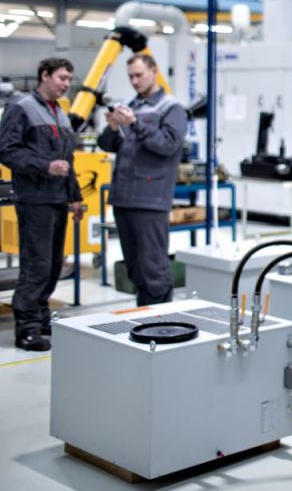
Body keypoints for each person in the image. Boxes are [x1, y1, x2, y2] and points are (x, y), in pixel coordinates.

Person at [0, 58, 85, 351]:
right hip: (34, 199)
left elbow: (68, 161)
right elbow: (7, 151)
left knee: (52, 266)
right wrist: (44, 166)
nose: (65, 84)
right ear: (44, 76)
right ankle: (27, 328)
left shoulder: (59, 113)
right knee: (37, 265)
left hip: (58, 199)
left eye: (68, 79)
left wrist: (75, 197)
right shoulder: (21, 108)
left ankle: (41, 316)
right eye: (61, 78)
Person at [97, 54, 186, 306]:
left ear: (154, 71)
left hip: (150, 199)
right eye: (131, 77)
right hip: (123, 198)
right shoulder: (131, 105)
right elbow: (107, 144)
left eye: (139, 75)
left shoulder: (171, 108)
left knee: (153, 268)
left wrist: (134, 123)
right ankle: (144, 317)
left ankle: (161, 322)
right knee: (134, 267)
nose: (134, 81)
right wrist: (114, 127)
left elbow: (168, 145)